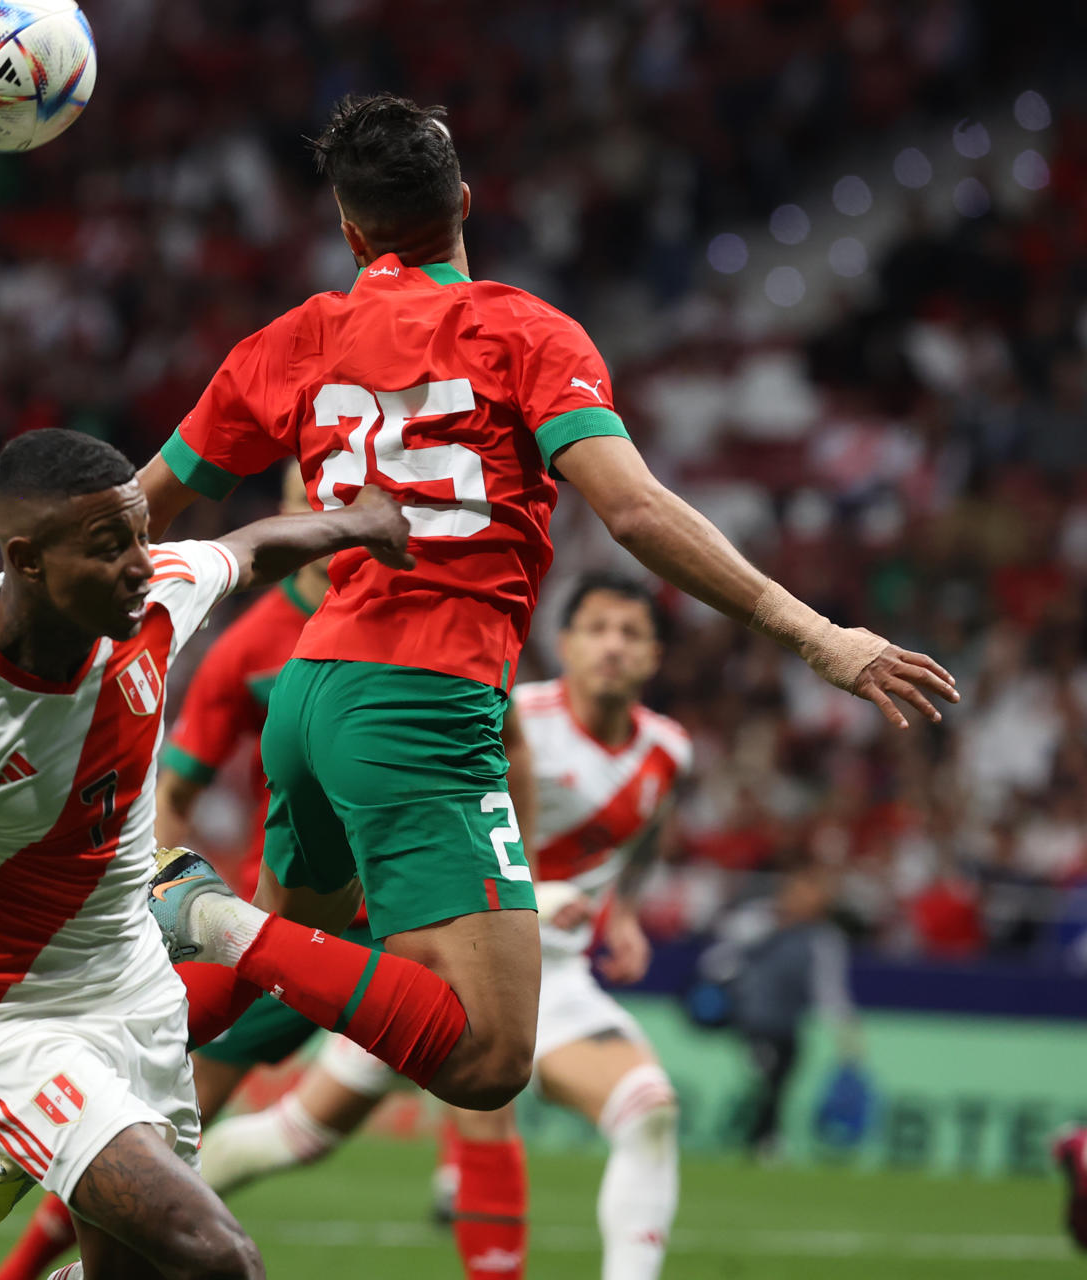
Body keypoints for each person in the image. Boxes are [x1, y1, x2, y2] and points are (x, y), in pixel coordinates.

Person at [133, 91, 957, 1116]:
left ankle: (96, 1076)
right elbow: (637, 511)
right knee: (485, 1056)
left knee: (282, 959)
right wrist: (815, 631)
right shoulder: (523, 333)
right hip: (422, 704)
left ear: (350, 232)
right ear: (466, 202)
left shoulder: (290, 340)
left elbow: (139, 510)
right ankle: (206, 913)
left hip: (309, 692)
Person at [0, 429, 449, 1280]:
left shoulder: (150, 603)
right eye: (109, 547)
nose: (140, 565)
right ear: (27, 558)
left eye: (141, 538)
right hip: (8, 1023)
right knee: (223, 1263)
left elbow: (244, 549)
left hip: (140, 993)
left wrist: (360, 522)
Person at [0, 467, 513, 1280]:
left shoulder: (421, 601)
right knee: (169, 1113)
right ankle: (28, 1234)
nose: (324, 509)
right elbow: (177, 790)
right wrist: (148, 892)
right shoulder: (250, 645)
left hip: (415, 900)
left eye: (338, 493)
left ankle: (47, 1172)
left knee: (470, 1086)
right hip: (302, 917)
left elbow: (512, 746)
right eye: (309, 496)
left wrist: (524, 855)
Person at [195, 573, 689, 1280]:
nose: (613, 647)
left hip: (561, 975)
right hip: (454, 944)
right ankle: (131, 1218)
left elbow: (646, 835)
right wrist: (534, 894)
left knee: (648, 1110)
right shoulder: (502, 712)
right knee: (292, 1137)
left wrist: (630, 913)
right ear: (567, 642)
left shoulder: (671, 751)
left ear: (655, 656)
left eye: (632, 634)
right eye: (598, 629)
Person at [699, 864, 861, 1161]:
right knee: (767, 1077)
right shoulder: (757, 922)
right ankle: (764, 1141)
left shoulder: (823, 940)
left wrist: (847, 1038)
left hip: (787, 1025)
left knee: (779, 1081)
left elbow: (830, 993)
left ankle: (759, 1138)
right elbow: (716, 960)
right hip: (752, 1021)